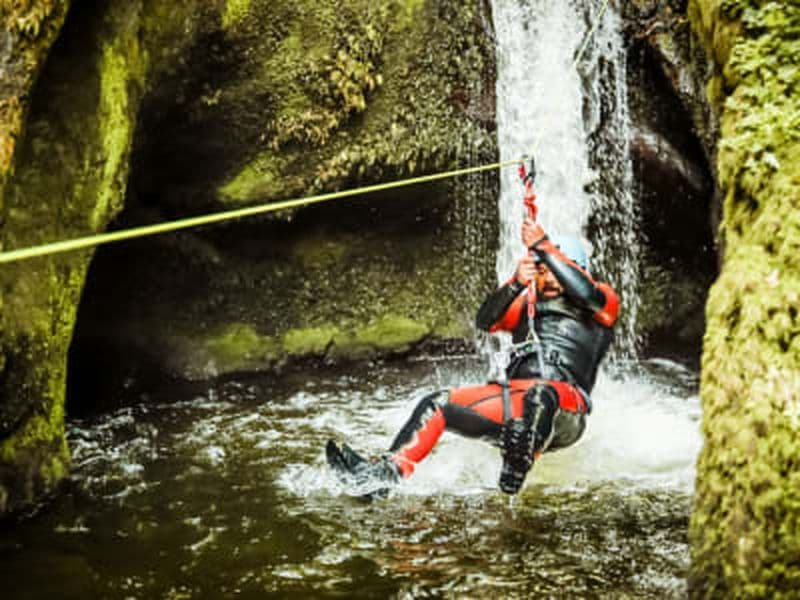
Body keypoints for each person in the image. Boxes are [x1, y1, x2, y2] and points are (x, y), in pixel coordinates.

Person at [327, 217, 620, 495]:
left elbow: (585, 293)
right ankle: (384, 475)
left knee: (541, 395)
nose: (550, 277)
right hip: (515, 401)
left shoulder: (601, 302)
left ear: (578, 271)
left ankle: (518, 463)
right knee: (438, 403)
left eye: (557, 269)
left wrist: (542, 245)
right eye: (542, 270)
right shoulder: (526, 305)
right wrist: (516, 283)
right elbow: (486, 321)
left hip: (565, 410)